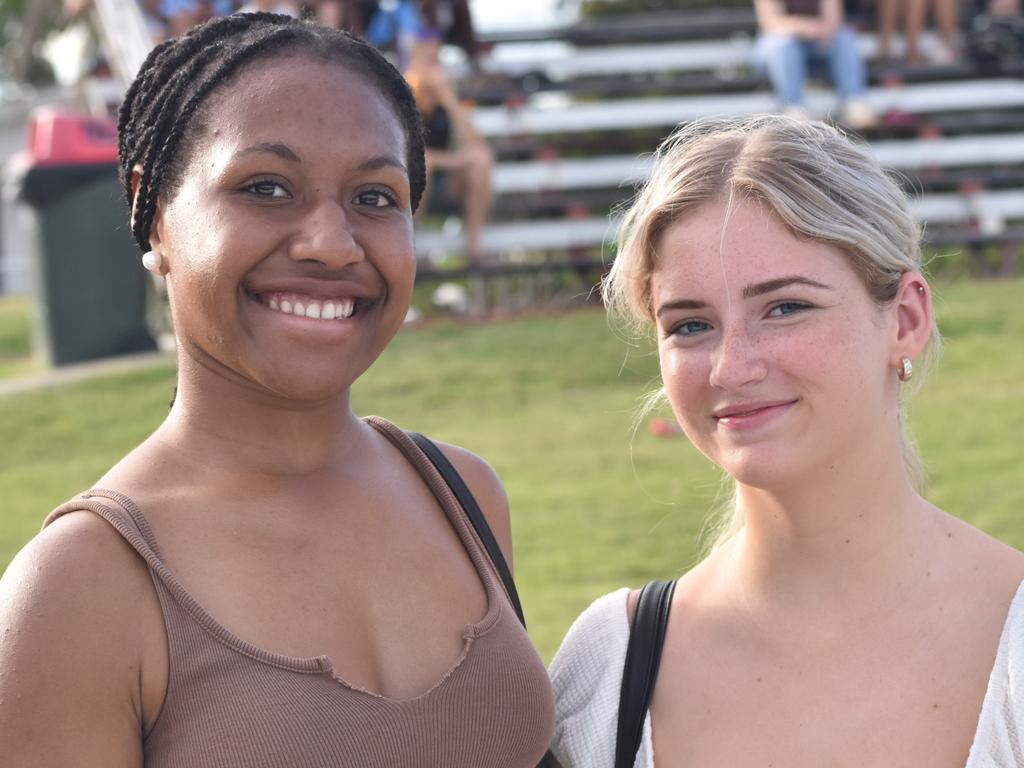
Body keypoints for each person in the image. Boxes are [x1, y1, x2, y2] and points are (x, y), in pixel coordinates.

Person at [0, 14, 553, 767]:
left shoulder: (462, 497)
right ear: (151, 210)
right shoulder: (80, 588)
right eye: (266, 187)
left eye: (375, 197)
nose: (331, 242)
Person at [548, 114, 1024, 766]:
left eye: (785, 307)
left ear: (906, 320)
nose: (730, 366)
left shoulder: (1014, 642)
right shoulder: (613, 666)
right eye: (689, 325)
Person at [404, 26, 494, 265]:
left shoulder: (448, 97)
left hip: (446, 180)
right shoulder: (404, 94)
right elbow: (410, 153)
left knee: (481, 160)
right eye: (428, 60)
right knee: (425, 161)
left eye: (437, 60)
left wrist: (448, 98)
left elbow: (475, 144)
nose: (434, 69)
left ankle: (475, 250)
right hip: (412, 181)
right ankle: (410, 249)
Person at [753, 0, 877, 128]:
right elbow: (771, 23)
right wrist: (804, 26)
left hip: (818, 44)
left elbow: (833, 23)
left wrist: (812, 30)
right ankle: (793, 106)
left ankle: (854, 102)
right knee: (783, 45)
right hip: (780, 48)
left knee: (845, 38)